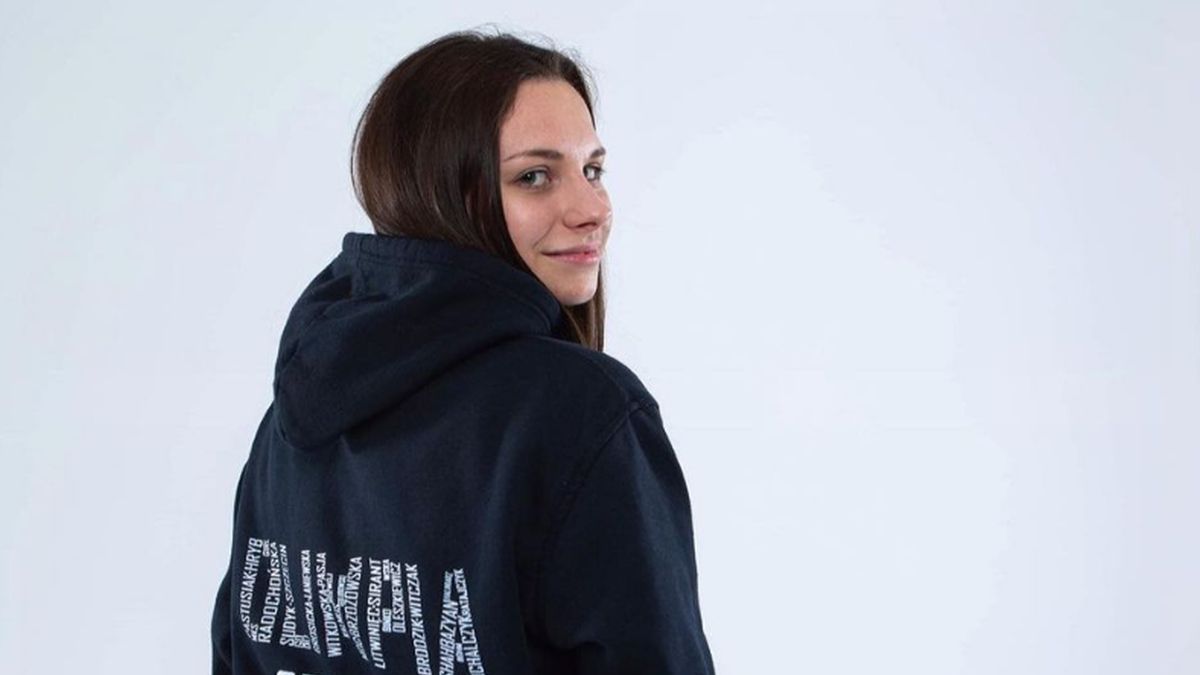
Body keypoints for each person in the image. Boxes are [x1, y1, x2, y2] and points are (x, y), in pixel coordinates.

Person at [210, 28, 717, 675]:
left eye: (592, 170)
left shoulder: (291, 424)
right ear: (444, 193)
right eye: (535, 177)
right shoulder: (581, 412)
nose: (593, 208)